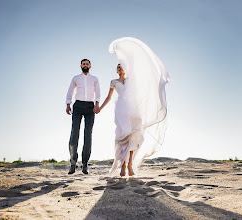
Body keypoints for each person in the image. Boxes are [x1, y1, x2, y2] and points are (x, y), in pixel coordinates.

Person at [99, 37, 170, 177]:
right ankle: (122, 165)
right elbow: (108, 97)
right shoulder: (113, 82)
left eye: (121, 66)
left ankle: (130, 164)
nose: (120, 68)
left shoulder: (132, 80)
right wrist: (99, 108)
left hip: (134, 110)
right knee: (122, 137)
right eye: (117, 67)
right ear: (116, 70)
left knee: (134, 136)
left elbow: (143, 77)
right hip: (121, 111)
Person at [66, 59, 100, 175]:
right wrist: (68, 104)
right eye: (83, 64)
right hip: (78, 106)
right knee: (74, 133)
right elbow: (70, 90)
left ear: (90, 66)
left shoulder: (94, 79)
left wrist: (97, 104)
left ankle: (85, 164)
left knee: (88, 135)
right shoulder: (76, 78)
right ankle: (73, 163)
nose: (85, 65)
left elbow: (98, 92)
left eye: (87, 64)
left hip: (90, 107)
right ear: (81, 66)